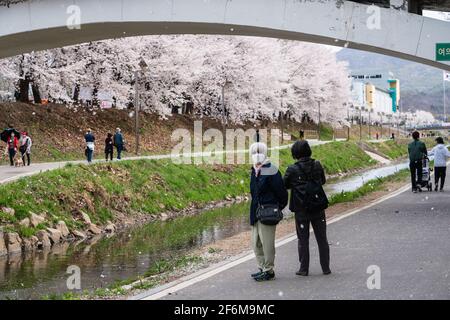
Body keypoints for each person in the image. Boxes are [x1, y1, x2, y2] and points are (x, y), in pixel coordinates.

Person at [284, 140, 331, 276]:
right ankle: (326, 268)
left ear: (295, 153)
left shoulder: (292, 169)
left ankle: (304, 269)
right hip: (317, 207)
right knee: (322, 238)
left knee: (303, 239)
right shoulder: (317, 165)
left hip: (301, 210)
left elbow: (285, 184)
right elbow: (322, 181)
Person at [249, 142, 288, 282]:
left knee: (267, 243)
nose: (256, 155)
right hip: (256, 211)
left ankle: (269, 270)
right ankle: (261, 267)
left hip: (268, 211)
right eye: (254, 152)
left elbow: (282, 193)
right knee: (256, 242)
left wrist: (277, 208)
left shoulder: (272, 170)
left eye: (259, 152)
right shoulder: (253, 170)